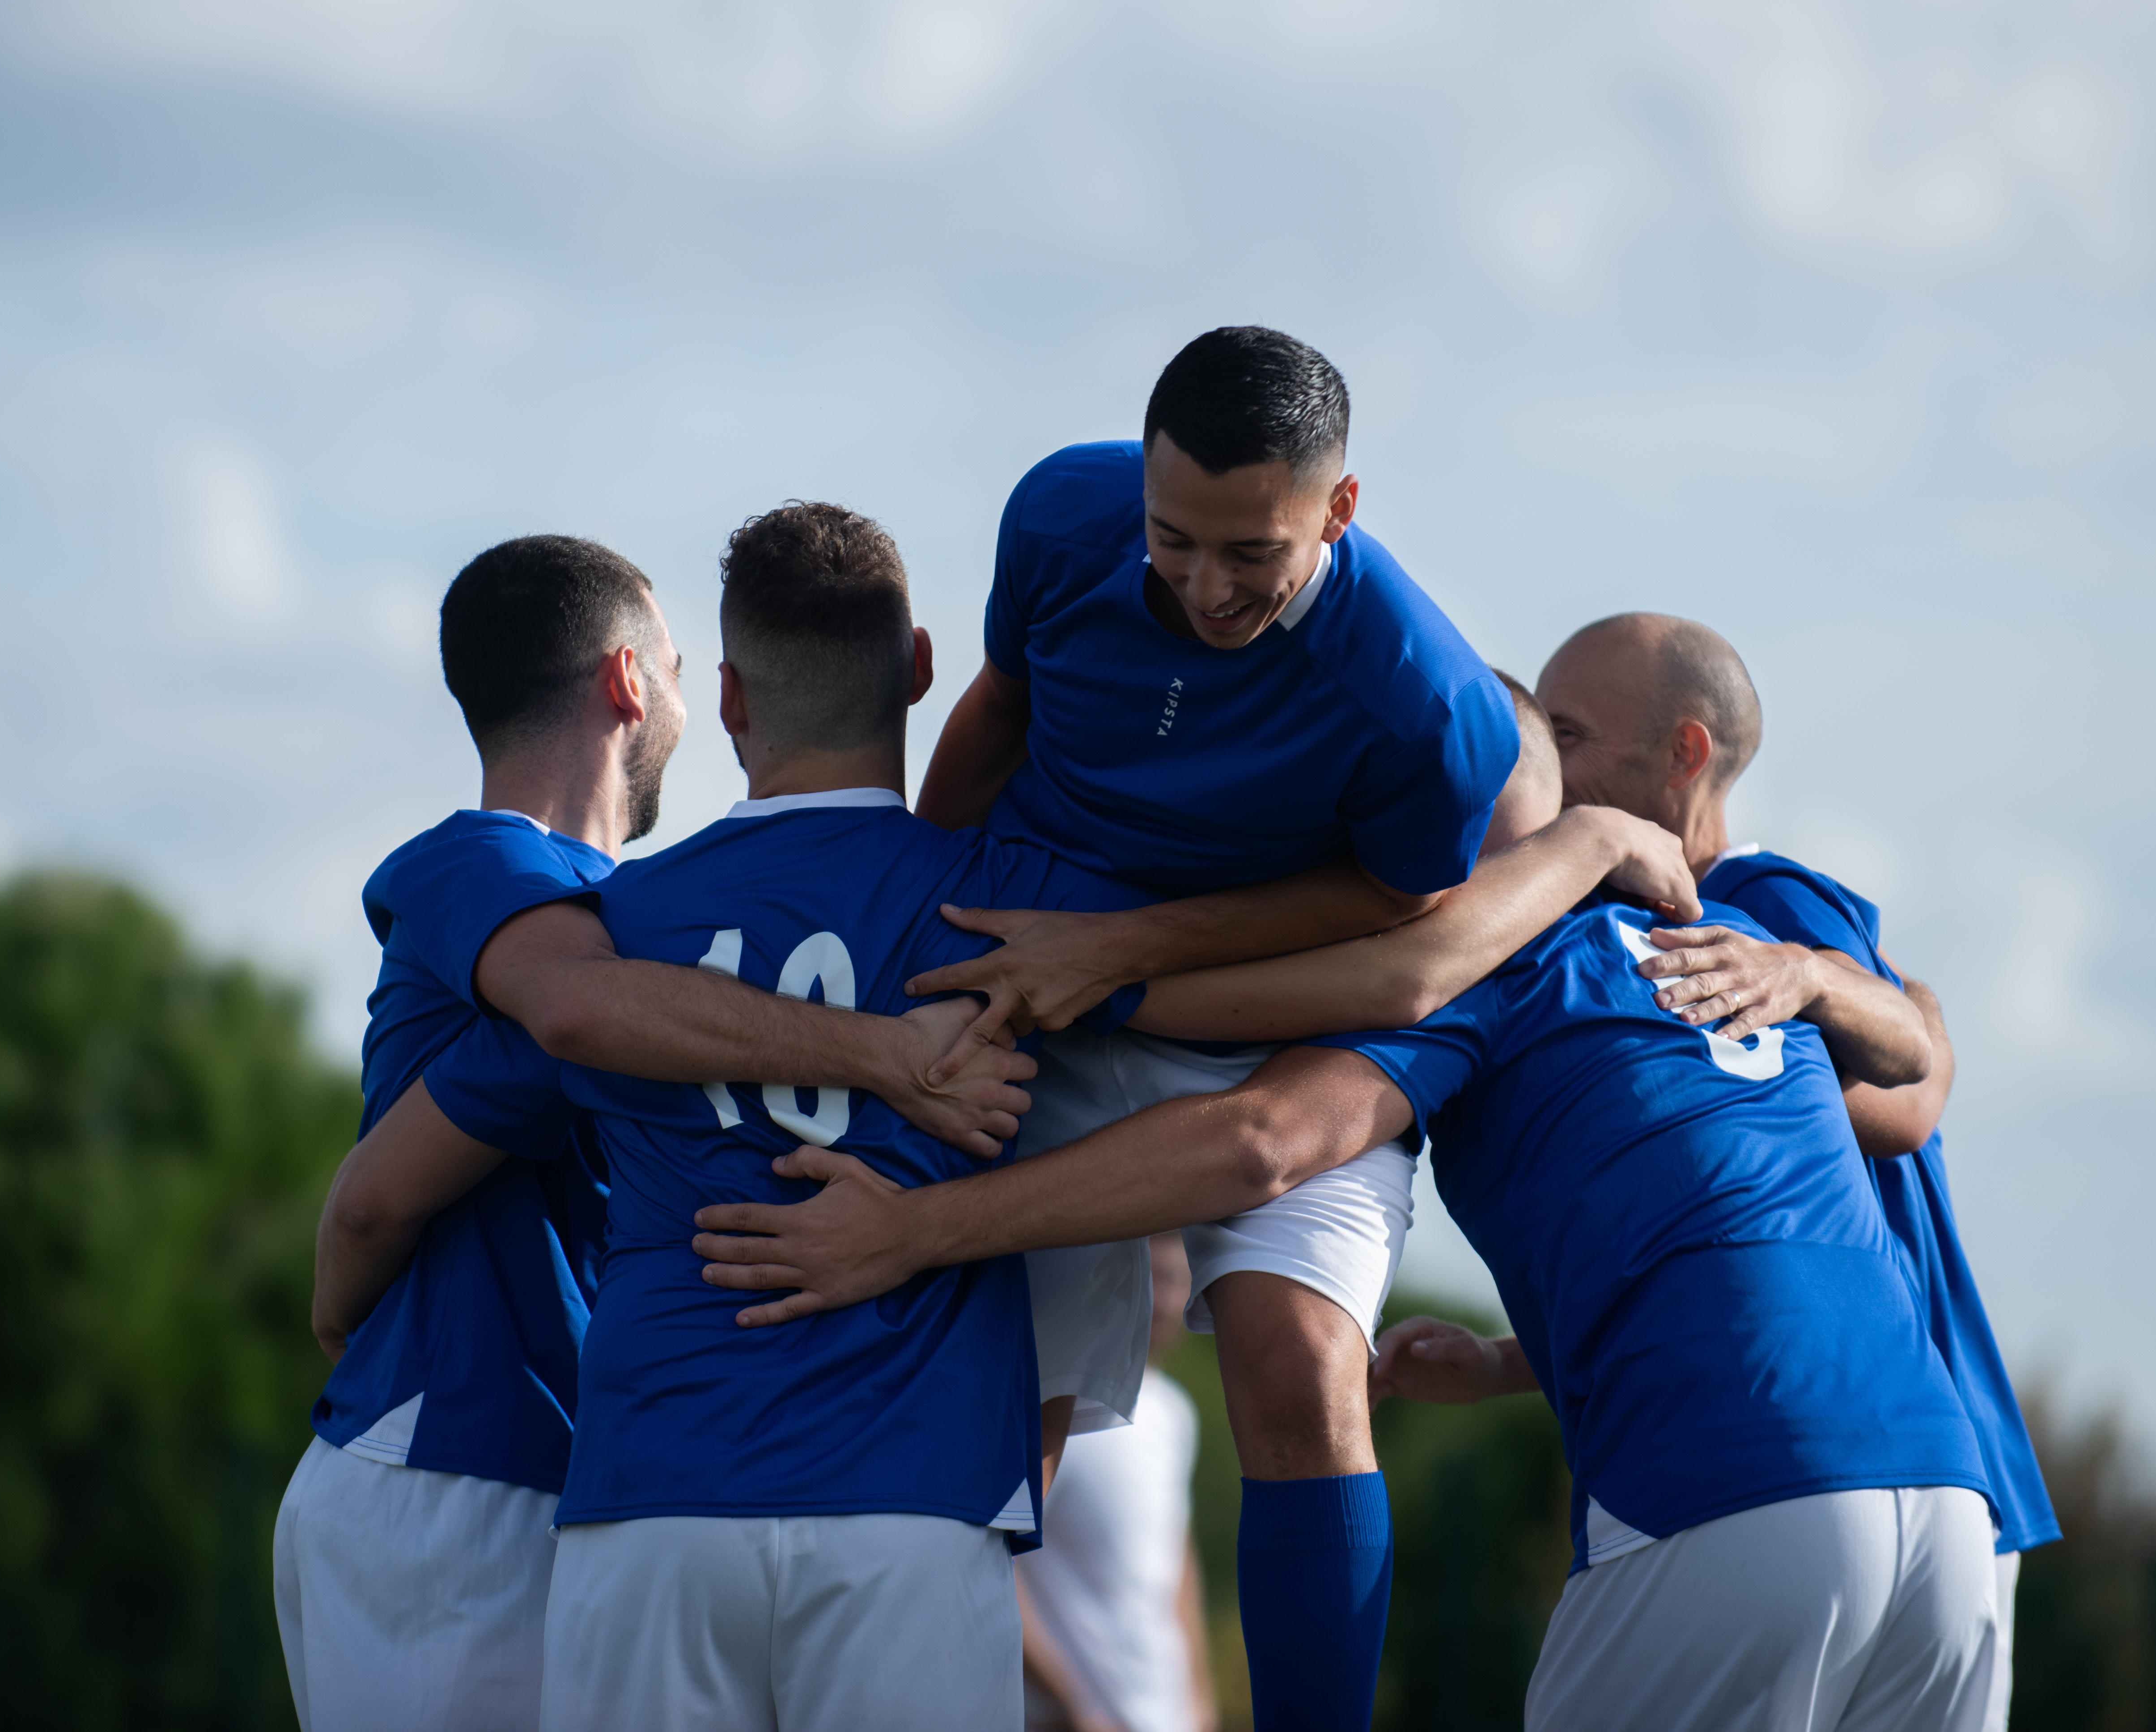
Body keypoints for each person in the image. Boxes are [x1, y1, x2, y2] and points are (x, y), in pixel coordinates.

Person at [318, 509, 1689, 1729]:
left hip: (649, 1502)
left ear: (730, 694)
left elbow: (422, 1151)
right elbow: (1335, 929)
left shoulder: (620, 924)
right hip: (911, 1511)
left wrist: (339, 1279)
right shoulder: (1011, 896)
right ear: (916, 665)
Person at [695, 693, 1999, 1730]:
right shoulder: (1737, 951)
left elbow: (1264, 1133)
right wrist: (1507, 1357)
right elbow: (1875, 1111)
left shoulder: (1505, 970)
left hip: (1727, 1496)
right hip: (1944, 1504)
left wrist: (927, 1213)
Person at [903, 327, 1696, 1730]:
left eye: (1250, 556)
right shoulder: (1056, 514)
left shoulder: (1428, 707)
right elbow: (995, 717)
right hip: (1041, 977)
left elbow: (1387, 926)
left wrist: (1131, 950)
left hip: (1275, 1020)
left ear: (1338, 509)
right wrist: (912, 927)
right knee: (993, 1395)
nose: (1205, 585)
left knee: (1299, 1363)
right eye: (1173, 539)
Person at [273, 534, 1036, 1732]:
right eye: (679, 662)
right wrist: (897, 1055)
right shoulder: (503, 875)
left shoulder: (634, 913)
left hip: (542, 1466)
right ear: (631, 684)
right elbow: (518, 1070)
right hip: (450, 1458)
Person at [1536, 611, 2060, 1732]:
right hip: (1892, 1457)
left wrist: (1833, 985)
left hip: (1879, 1449)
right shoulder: (1662, 930)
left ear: (1685, 756)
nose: (1545, 763)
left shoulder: (1762, 904)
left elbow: (1907, 1110)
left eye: (1569, 733)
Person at [1019, 1233, 1216, 1732]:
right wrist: (1068, 1705)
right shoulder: (1059, 1405)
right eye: (1152, 1278)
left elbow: (1177, 1566)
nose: (1165, 1301)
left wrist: (1200, 1703)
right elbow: (999, 1565)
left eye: (1176, 1282)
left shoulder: (1175, 1413)